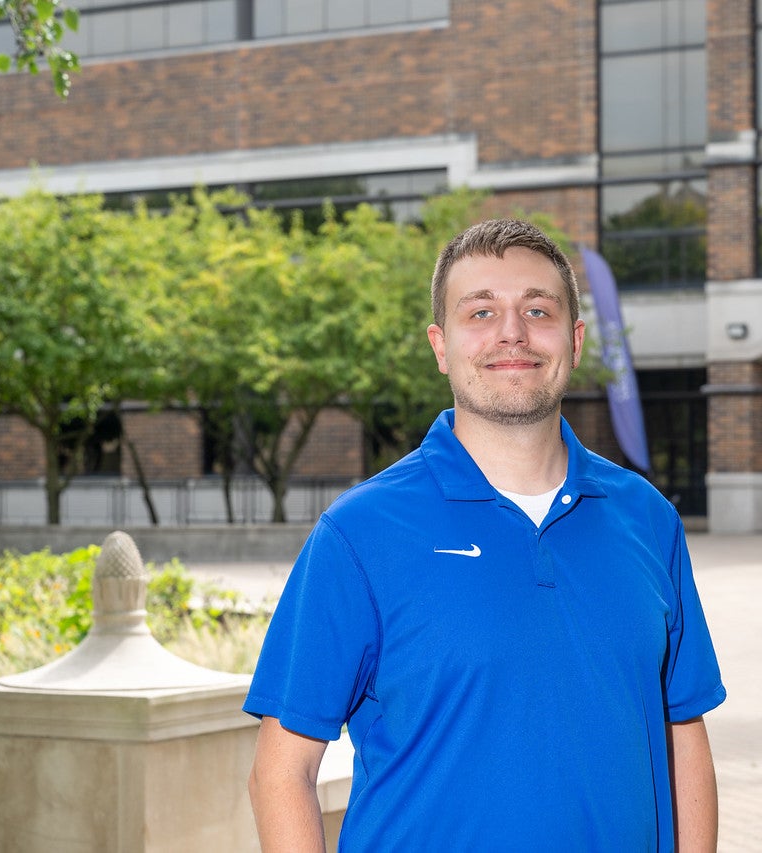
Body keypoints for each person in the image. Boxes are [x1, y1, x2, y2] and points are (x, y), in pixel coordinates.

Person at [244, 219, 726, 852]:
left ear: (575, 341)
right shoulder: (359, 533)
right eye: (481, 312)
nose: (512, 334)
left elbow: (681, 732)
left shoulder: (648, 518)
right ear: (441, 346)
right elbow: (282, 773)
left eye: (537, 310)